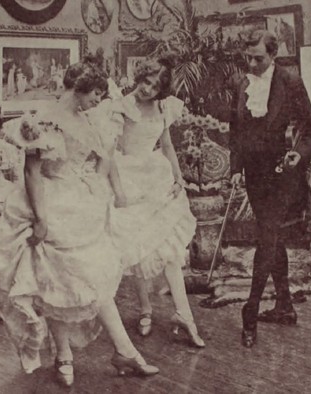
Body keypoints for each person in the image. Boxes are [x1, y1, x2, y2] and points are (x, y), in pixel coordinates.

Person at [0, 57, 159, 387]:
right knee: (56, 284)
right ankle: (66, 355)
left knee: (87, 279)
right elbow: (31, 172)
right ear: (80, 90)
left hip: (80, 205)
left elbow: (101, 158)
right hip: (49, 203)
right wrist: (40, 220)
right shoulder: (45, 120)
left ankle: (119, 350)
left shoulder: (87, 119)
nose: (100, 99)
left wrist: (98, 190)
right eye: (96, 92)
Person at [229, 30, 311, 348]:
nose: (251, 63)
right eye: (248, 57)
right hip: (254, 176)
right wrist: (236, 170)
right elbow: (235, 131)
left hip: (283, 173)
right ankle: (284, 306)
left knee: (266, 235)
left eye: (259, 58)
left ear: (273, 55)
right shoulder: (241, 84)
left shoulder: (289, 80)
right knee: (272, 237)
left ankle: (250, 310)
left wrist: (300, 153)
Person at [108, 57, 205, 348]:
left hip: (157, 177)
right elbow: (110, 152)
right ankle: (145, 310)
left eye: (153, 86)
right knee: (139, 249)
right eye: (144, 82)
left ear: (161, 90)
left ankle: (184, 314)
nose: (146, 89)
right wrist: (119, 192)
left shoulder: (164, 107)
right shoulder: (122, 105)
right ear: (138, 78)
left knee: (170, 251)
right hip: (129, 178)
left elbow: (167, 145)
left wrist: (178, 178)